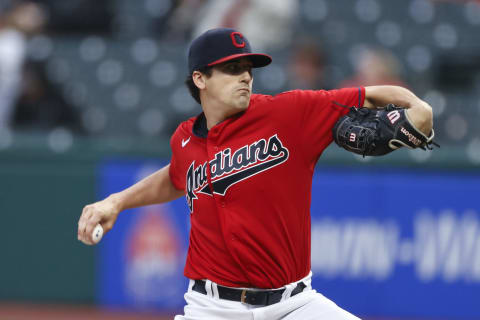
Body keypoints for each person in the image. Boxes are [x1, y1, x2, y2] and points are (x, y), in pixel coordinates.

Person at [78, 28, 433, 319]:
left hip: (294, 305)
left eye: (248, 67)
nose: (246, 75)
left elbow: (371, 95)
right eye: (232, 68)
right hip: (211, 308)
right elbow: (176, 175)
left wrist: (419, 109)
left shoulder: (289, 113)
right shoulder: (184, 139)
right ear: (200, 78)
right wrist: (116, 201)